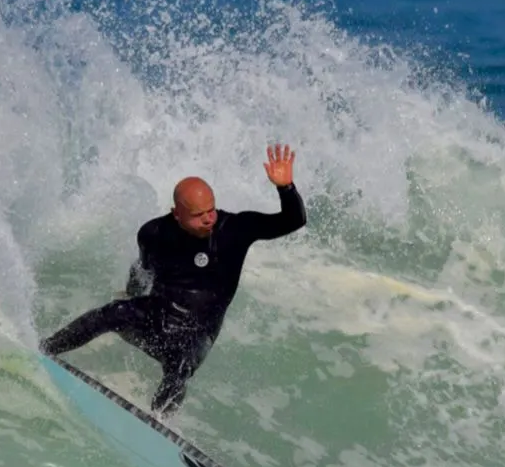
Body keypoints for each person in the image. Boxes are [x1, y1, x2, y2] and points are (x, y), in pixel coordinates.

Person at [39, 143, 307, 417]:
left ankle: (158, 422)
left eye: (211, 210)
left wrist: (285, 188)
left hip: (196, 333)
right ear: (176, 213)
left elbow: (294, 220)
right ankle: (43, 352)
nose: (208, 219)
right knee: (112, 313)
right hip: (157, 316)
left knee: (180, 367)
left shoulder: (235, 230)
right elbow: (143, 270)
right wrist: (131, 298)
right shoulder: (154, 233)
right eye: (198, 214)